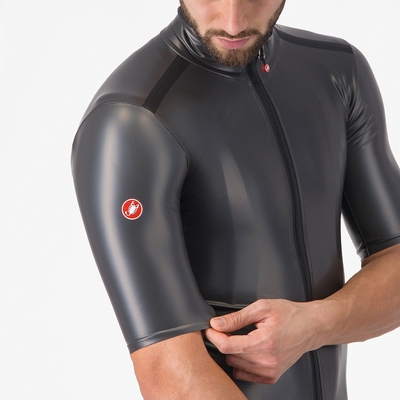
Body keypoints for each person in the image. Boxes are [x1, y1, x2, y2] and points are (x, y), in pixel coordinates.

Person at [71, 0, 400, 398]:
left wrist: (315, 324)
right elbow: (169, 372)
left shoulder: (338, 70)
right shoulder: (132, 121)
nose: (232, 23)